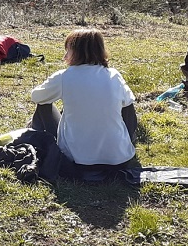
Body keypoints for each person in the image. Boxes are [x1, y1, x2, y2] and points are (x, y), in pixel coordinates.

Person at [29, 29, 139, 175]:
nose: (64, 57)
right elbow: (130, 114)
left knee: (43, 104)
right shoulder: (114, 75)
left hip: (78, 162)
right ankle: (121, 145)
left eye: (68, 51)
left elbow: (36, 96)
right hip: (120, 161)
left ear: (77, 52)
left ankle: (41, 144)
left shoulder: (64, 76)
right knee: (127, 104)